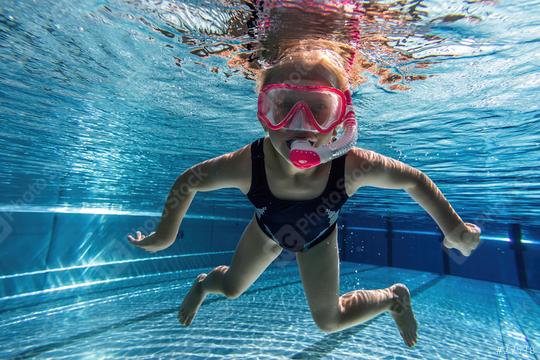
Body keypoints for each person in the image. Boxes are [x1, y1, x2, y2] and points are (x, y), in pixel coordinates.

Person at [127, 42, 481, 348]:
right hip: (266, 233)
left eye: (319, 107)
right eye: (283, 105)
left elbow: (414, 180)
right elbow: (190, 180)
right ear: (264, 116)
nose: (301, 123)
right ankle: (204, 286)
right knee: (232, 287)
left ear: (342, 121)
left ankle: (392, 299)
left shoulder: (351, 164)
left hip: (318, 239)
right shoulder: (247, 163)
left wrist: (453, 227)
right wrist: (166, 233)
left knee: (329, 320)